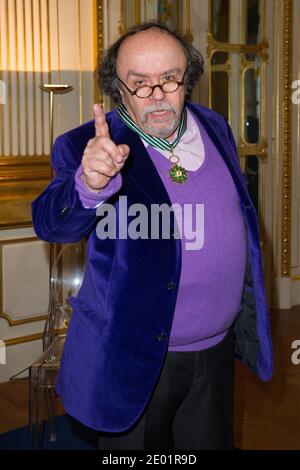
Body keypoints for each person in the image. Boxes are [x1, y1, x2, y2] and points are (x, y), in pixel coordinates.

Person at [32, 22, 273, 450]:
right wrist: (87, 185)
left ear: (188, 79)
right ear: (117, 89)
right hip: (134, 359)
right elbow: (51, 223)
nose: (157, 94)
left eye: (169, 78)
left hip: (217, 350)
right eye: (139, 83)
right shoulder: (87, 145)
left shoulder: (215, 126)